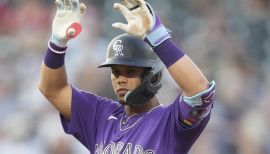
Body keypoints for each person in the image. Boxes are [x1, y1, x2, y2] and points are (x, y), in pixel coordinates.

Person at [38, 0, 216, 153]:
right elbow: (52, 89)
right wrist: (57, 45)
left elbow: (199, 90)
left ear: (152, 75)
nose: (120, 78)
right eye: (115, 72)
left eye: (130, 71)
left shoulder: (169, 122)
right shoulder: (100, 116)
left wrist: (158, 37)